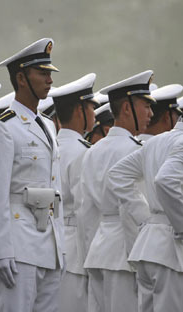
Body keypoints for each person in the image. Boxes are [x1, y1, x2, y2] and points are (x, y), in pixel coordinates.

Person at [0, 38, 64, 312]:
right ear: (21, 78)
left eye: (50, 73)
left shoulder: (49, 126)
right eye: (42, 73)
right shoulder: (3, 128)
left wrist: (60, 245)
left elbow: (55, 188)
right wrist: (1, 251)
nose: (49, 80)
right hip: (19, 246)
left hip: (49, 245)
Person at [79, 70, 155, 312]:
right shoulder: (136, 152)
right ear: (126, 109)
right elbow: (131, 210)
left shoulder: (93, 151)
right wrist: (140, 263)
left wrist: (89, 256)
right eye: (146, 106)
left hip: (99, 252)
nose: (151, 114)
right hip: (126, 255)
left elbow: (86, 213)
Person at [107, 84, 183, 312]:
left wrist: (146, 218)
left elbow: (117, 174)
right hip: (171, 249)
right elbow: (165, 181)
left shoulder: (158, 141)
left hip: (149, 246)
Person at [48, 73, 99, 312]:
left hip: (50, 245)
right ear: (80, 111)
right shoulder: (82, 153)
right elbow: (85, 210)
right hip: (76, 249)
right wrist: (93, 258)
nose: (94, 115)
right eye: (91, 108)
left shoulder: (51, 147)